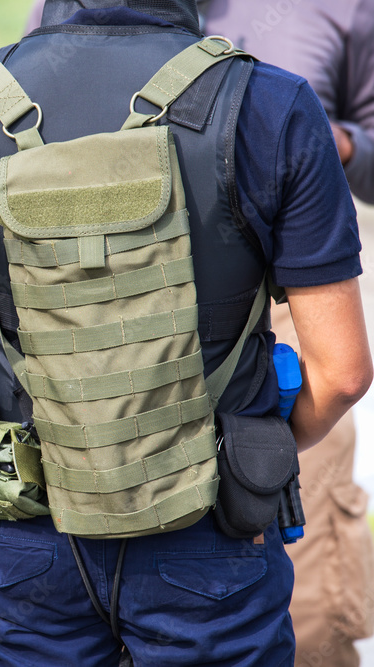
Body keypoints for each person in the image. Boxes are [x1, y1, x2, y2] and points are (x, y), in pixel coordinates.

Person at [0, 0, 372, 664]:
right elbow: (342, 372)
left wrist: (73, 436)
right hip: (209, 531)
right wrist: (242, 457)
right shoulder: (273, 105)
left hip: (28, 528)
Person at [198, 5, 374, 665]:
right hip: (120, 325)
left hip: (290, 324)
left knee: (311, 605)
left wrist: (336, 144)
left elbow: (342, 375)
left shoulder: (341, 9)